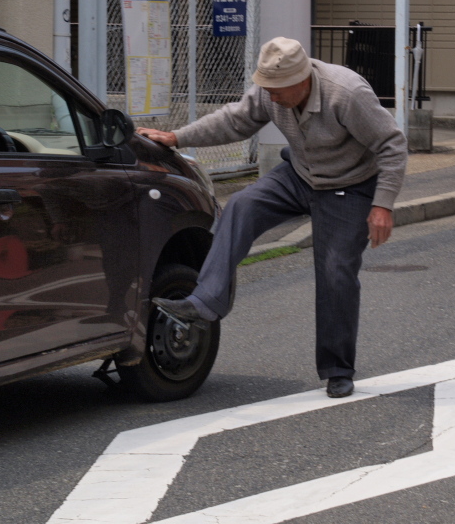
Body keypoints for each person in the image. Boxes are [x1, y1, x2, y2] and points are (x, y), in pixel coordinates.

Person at [137, 37, 407, 398]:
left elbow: (392, 145)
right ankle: (203, 303)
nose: (270, 97)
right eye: (265, 88)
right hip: (300, 174)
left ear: (301, 80)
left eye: (277, 91)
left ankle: (337, 369)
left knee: (335, 272)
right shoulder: (272, 90)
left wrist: (382, 204)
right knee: (242, 204)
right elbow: (235, 119)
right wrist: (176, 137)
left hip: (349, 185)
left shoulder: (346, 93)